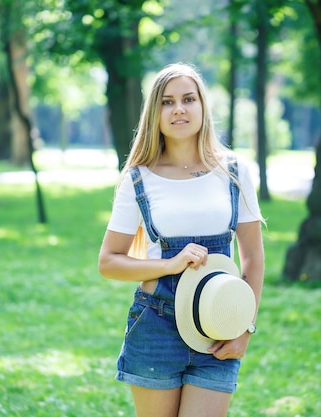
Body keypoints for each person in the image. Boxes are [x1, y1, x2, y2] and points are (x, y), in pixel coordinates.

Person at [98, 62, 265, 417]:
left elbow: (251, 255)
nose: (178, 109)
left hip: (219, 323)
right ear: (154, 113)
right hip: (156, 324)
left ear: (203, 106)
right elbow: (109, 261)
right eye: (167, 101)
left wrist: (246, 327)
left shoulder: (234, 172)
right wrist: (169, 264)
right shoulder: (138, 179)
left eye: (188, 99)